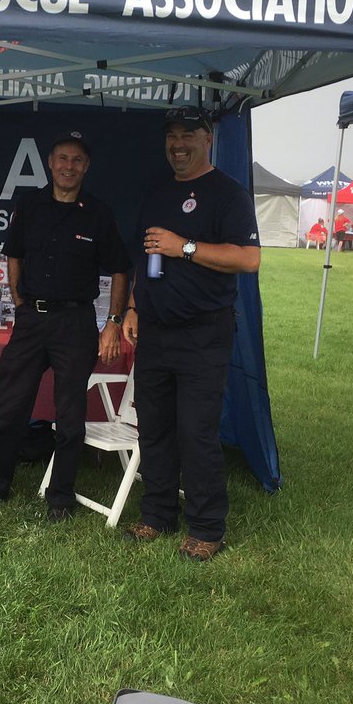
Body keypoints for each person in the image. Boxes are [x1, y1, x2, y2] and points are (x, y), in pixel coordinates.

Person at [0, 132, 131, 521]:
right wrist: (19, 299)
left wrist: (112, 322)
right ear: (50, 162)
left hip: (74, 321)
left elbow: (121, 269)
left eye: (76, 160)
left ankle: (60, 497)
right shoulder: (30, 204)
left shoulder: (98, 213)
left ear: (86, 166)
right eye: (62, 158)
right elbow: (14, 255)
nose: (68, 166)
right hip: (30, 321)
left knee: (70, 415)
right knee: (8, 406)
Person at [122, 107, 261, 561]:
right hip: (155, 331)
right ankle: (158, 513)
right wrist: (132, 306)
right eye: (172, 137)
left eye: (188, 135)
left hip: (204, 332)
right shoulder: (157, 191)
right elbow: (143, 257)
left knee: (197, 431)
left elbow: (248, 259)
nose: (178, 144)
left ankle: (206, 527)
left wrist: (183, 247)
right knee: (155, 426)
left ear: (208, 139)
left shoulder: (229, 194)